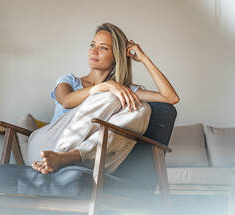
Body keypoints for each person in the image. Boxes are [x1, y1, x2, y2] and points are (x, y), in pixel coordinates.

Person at [27, 23, 179, 175]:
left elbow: (170, 97)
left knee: (142, 108)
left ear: (116, 57)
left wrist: (144, 58)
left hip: (85, 159)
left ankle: (71, 157)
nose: (94, 51)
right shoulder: (69, 80)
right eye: (92, 45)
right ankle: (60, 156)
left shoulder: (122, 89)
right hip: (46, 147)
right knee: (111, 96)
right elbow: (66, 100)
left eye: (103, 48)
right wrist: (105, 87)